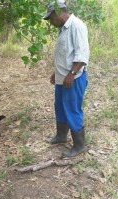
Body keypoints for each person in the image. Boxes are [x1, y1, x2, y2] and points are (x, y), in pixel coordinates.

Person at [43, 1, 90, 157]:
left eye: (51, 18)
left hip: (73, 78)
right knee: (60, 107)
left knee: (72, 109)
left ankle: (79, 145)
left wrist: (71, 74)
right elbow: (66, 54)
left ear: (59, 12)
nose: (51, 22)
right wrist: (57, 73)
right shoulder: (63, 29)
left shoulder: (77, 26)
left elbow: (82, 55)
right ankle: (61, 136)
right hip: (62, 78)